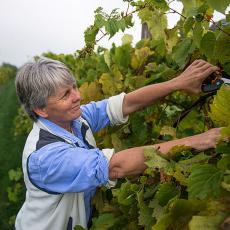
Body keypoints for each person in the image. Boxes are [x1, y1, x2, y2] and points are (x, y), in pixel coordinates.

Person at [15, 58, 221, 230]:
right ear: (41, 110)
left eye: (74, 87)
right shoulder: (45, 158)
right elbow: (116, 166)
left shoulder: (73, 120)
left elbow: (124, 104)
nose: (78, 96)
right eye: (65, 95)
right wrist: (202, 139)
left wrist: (178, 83)